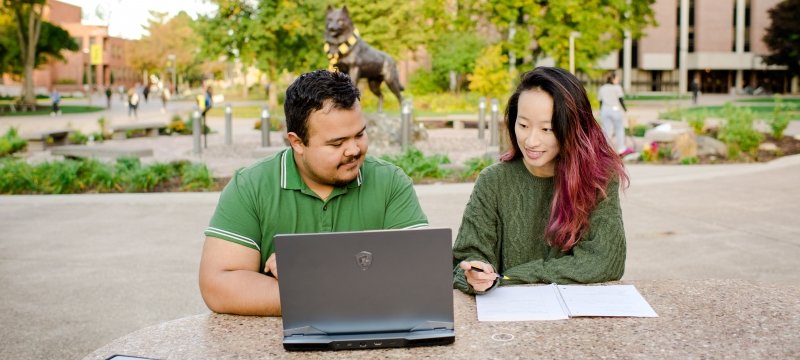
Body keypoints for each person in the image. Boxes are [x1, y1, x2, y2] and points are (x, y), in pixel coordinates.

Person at [199, 70, 429, 316]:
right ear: (297, 142)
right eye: (337, 143)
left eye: (360, 134)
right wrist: (352, 288)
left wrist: (306, 274)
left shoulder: (391, 182)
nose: (353, 150)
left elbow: (422, 274)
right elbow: (218, 285)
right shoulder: (250, 186)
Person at [452, 67, 629, 295]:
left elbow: (606, 262)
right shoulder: (493, 180)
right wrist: (475, 273)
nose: (531, 140)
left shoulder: (599, 179)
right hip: (507, 320)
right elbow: (464, 258)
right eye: (523, 125)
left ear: (573, 128)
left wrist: (515, 275)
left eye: (547, 129)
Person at [597, 73, 630, 156]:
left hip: (605, 110)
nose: (618, 80)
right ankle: (621, 149)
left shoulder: (602, 88)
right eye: (617, 79)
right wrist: (625, 109)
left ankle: (605, 149)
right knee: (619, 129)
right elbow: (620, 100)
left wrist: (601, 111)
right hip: (615, 109)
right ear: (613, 79)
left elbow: (600, 101)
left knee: (606, 130)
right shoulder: (617, 88)